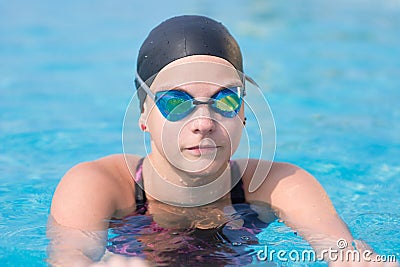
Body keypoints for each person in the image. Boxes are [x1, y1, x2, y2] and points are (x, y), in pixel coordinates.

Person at [47, 15, 397, 267]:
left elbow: (342, 251)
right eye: (175, 102)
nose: (203, 123)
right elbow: (70, 255)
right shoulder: (98, 185)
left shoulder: (279, 185)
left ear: (243, 113)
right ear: (144, 117)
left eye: (224, 100)